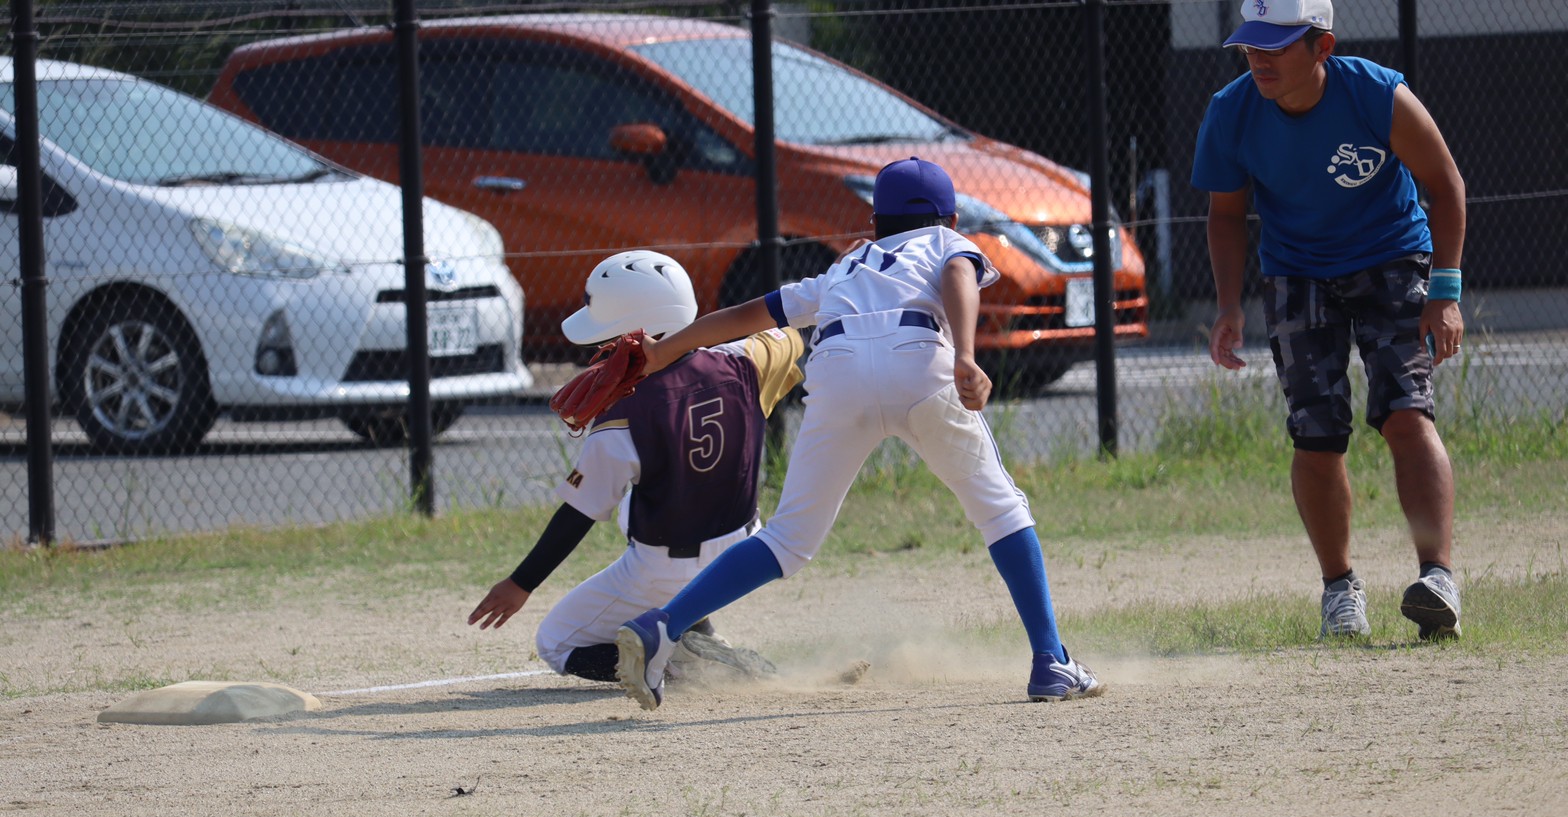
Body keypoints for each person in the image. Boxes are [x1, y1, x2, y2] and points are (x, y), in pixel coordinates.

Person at [610, 156, 1102, 710]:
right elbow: (960, 272)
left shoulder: (846, 267)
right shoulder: (944, 242)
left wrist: (664, 349)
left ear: (874, 224)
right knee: (1000, 510)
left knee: (789, 539)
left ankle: (664, 626)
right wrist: (965, 354)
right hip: (919, 366)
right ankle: (1051, 662)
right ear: (953, 218)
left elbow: (752, 313)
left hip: (837, 370)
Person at [1192, 0, 1466, 641]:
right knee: (1316, 436)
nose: (1258, 59)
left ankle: (1438, 580)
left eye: (1276, 45)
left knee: (1406, 411)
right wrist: (1229, 305)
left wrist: (1445, 291)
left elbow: (1444, 181)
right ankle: (1340, 591)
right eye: (1250, 46)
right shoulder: (1231, 110)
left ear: (1322, 47)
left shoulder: (1375, 93)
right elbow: (1226, 215)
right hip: (1295, 271)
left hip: (1391, 257)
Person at [467, 250, 803, 685]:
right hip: (743, 546)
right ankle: (694, 627)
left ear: (639, 333)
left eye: (612, 340)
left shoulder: (622, 416)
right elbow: (791, 333)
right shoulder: (748, 360)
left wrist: (521, 582)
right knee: (631, 504)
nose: (605, 353)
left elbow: (579, 513)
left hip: (668, 564)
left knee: (556, 642)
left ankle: (683, 664)